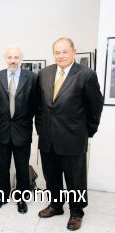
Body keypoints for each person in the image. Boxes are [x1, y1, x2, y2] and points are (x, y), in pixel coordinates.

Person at [35, 37, 103, 231]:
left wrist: (87, 131)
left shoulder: (86, 74)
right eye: (57, 52)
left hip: (73, 137)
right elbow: (39, 106)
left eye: (65, 51)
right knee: (51, 176)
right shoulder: (45, 73)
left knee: (75, 179)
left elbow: (95, 107)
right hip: (47, 138)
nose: (61, 55)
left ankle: (77, 212)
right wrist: (41, 129)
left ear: (74, 51)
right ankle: (56, 206)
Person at [0, 46, 37, 214]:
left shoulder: (32, 77)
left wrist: (24, 118)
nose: (13, 60)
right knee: (2, 166)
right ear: (5, 58)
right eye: (10, 57)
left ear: (21, 59)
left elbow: (35, 103)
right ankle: (2, 196)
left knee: (22, 167)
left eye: (16, 57)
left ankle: (22, 199)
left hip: (22, 130)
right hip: (3, 129)